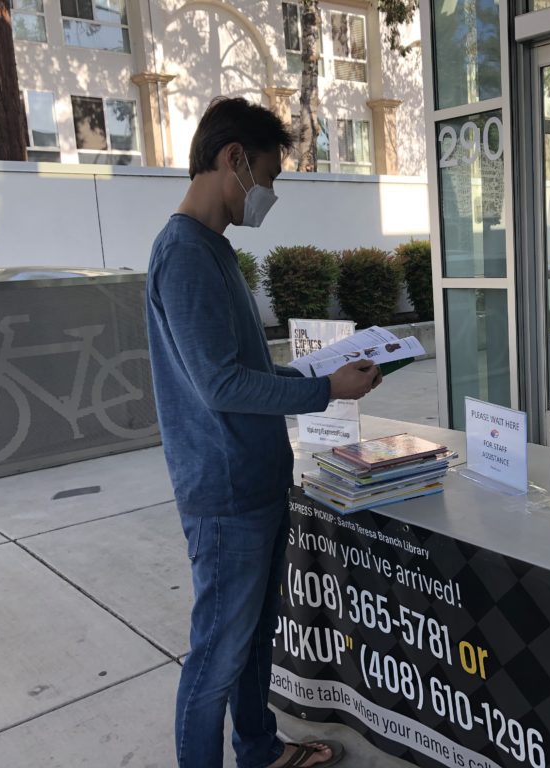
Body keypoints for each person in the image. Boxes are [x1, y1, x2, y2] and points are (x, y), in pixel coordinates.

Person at [146, 97, 379, 768]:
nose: (268, 194)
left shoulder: (212, 250)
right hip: (223, 494)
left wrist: (324, 371)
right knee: (216, 659)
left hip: (253, 479)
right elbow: (219, 385)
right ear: (234, 160)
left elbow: (243, 366)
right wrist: (323, 389)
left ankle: (259, 750)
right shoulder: (184, 255)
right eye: (269, 177)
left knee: (250, 644)